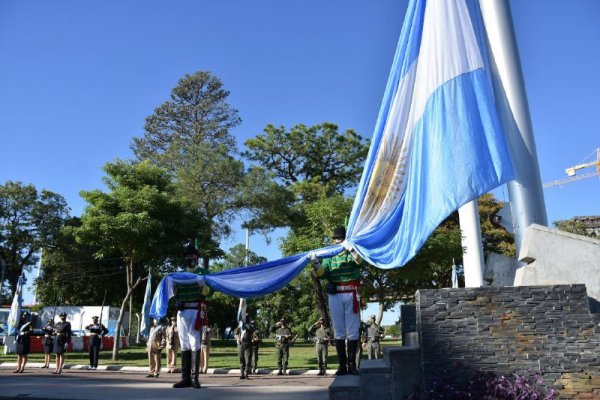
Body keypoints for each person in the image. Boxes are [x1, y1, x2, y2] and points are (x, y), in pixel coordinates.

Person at [313, 226, 364, 375]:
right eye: (336, 239)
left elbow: (360, 262)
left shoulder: (351, 252)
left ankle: (352, 366)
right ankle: (342, 366)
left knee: (353, 330)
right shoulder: (329, 256)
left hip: (351, 294)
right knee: (339, 331)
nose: (337, 241)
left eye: (340, 239)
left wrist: (352, 249)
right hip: (335, 295)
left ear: (345, 240)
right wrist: (316, 263)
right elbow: (322, 274)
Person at [172, 243, 211, 389]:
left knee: (195, 343)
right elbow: (175, 293)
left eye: (193, 256)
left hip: (196, 310)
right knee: (184, 344)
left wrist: (202, 285)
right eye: (188, 256)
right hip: (181, 312)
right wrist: (173, 286)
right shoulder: (180, 274)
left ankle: (195, 378)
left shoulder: (203, 273)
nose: (190, 258)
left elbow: (209, 292)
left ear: (197, 257)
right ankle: (185, 378)